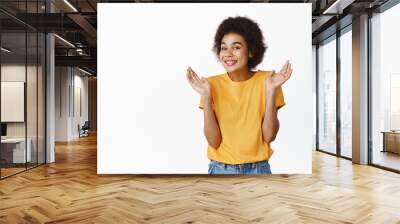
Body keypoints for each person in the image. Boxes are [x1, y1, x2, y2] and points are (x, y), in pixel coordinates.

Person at [186, 16, 292, 174]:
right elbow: (214, 142)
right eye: (223, 48)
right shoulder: (210, 85)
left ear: (250, 51)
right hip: (221, 169)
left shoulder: (269, 80)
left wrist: (270, 92)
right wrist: (207, 98)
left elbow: (269, 136)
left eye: (236, 47)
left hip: (259, 169)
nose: (228, 54)